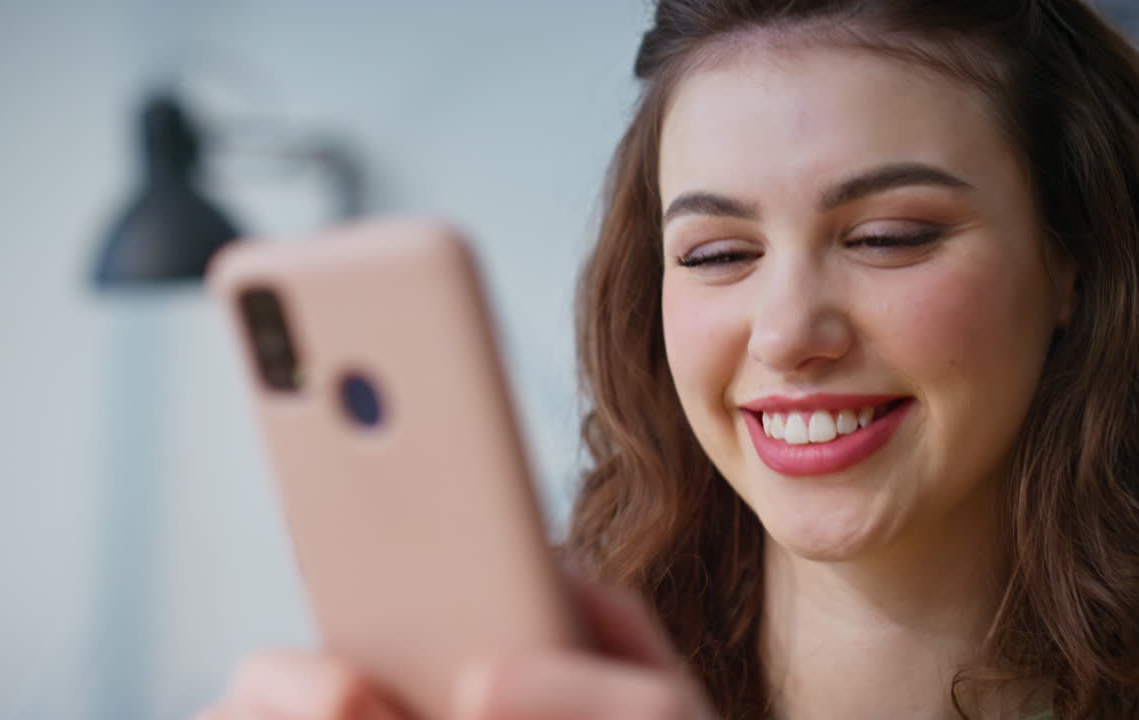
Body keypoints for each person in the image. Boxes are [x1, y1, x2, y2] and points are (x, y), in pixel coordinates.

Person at [197, 1, 1139, 718]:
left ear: (1075, 260)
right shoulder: (562, 673)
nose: (783, 334)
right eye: (718, 255)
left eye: (887, 237)